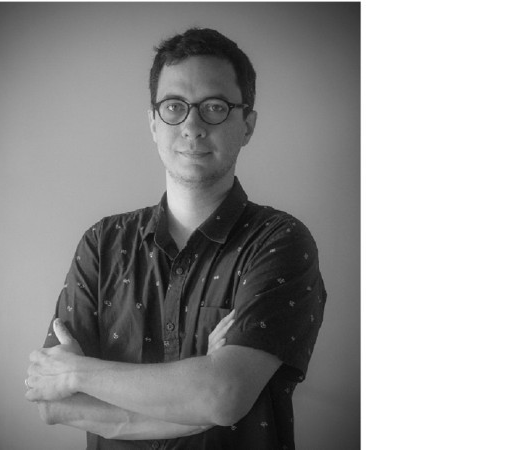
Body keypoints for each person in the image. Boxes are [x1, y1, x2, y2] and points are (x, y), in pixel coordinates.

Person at [25, 27, 327, 449]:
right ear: (153, 123)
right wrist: (198, 404)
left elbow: (222, 395)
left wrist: (78, 373)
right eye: (173, 107)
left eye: (215, 107)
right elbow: (53, 403)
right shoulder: (102, 243)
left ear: (247, 125)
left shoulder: (279, 241)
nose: (192, 126)